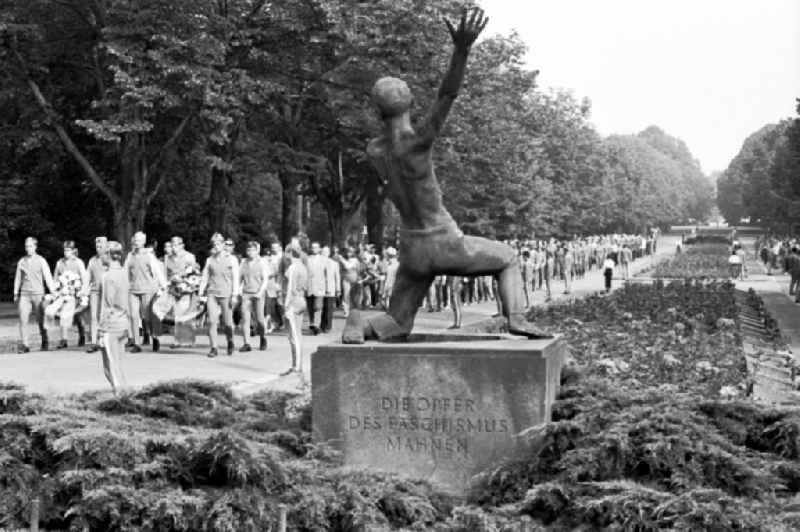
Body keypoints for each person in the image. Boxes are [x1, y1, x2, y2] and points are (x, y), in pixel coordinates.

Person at [124, 231, 167, 353]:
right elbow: (125, 272)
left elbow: (157, 272)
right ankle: (137, 344)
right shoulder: (130, 256)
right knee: (133, 316)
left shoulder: (149, 256)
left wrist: (164, 286)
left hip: (148, 289)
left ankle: (155, 338)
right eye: (135, 240)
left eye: (139, 240)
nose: (136, 242)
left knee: (147, 317)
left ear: (143, 242)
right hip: (132, 290)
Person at [199, 233, 241, 357]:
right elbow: (205, 277)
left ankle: (230, 341)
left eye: (218, 244)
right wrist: (201, 292)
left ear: (223, 245)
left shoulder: (231, 259)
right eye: (214, 244)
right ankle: (214, 347)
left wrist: (235, 295)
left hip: (226, 294)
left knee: (227, 323)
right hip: (212, 293)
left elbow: (236, 278)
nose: (216, 246)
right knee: (212, 321)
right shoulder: (209, 260)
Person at [13, 237, 56, 353]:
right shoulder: (22, 261)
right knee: (23, 319)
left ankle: (45, 339)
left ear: (35, 247)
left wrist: (53, 291)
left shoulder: (41, 260)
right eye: (26, 246)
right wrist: (16, 292)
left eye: (30, 246)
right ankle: (25, 345)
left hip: (38, 294)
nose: (28, 249)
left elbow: (48, 276)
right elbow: (18, 278)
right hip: (25, 294)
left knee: (40, 320)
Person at [98, 241, 129, 395]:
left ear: (109, 255)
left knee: (110, 367)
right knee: (118, 364)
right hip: (123, 323)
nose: (100, 256)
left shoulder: (108, 276)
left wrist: (101, 329)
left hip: (111, 325)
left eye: (103, 253)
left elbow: (107, 305)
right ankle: (124, 393)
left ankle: (121, 397)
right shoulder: (124, 272)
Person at [52, 240, 89, 349]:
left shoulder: (78, 262)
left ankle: (82, 334)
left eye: (68, 250)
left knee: (77, 316)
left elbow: (84, 277)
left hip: (76, 292)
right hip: (64, 293)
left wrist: (81, 290)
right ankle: (63, 340)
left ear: (73, 251)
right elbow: (55, 278)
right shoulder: (60, 263)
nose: (66, 252)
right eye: (65, 250)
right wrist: (56, 289)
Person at [239, 241, 269, 351]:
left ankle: (263, 337)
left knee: (260, 319)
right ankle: (247, 343)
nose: (250, 252)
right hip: (246, 294)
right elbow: (239, 278)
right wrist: (238, 291)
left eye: (252, 250)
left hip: (258, 294)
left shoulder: (262, 262)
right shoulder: (243, 263)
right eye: (248, 250)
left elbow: (265, 280)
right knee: (245, 319)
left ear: (257, 251)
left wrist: (260, 292)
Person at [282, 245, 308, 375]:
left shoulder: (293, 267)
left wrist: (286, 305)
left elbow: (290, 288)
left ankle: (296, 367)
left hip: (294, 301)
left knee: (294, 336)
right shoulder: (303, 266)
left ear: (290, 253)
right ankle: (296, 365)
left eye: (286, 253)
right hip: (301, 300)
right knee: (297, 334)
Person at [85, 237, 109, 353]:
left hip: (107, 292)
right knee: (93, 317)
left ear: (106, 246)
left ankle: (104, 340)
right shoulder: (92, 260)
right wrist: (84, 290)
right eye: (97, 246)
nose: (98, 248)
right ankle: (94, 342)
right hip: (95, 291)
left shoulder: (110, 259)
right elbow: (87, 276)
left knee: (105, 317)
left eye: (100, 246)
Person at [305, 242, 326, 334]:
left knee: (318, 306)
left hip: (319, 286)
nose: (314, 249)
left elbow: (327, 274)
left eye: (316, 247)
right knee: (310, 307)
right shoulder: (307, 259)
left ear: (319, 249)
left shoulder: (324, 260)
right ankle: (312, 323)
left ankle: (317, 325)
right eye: (312, 247)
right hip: (309, 286)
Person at [265, 242, 284, 333]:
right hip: (271, 285)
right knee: (271, 305)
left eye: (275, 247)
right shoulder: (269, 258)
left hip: (281, 284)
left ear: (279, 248)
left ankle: (283, 322)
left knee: (281, 305)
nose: (273, 249)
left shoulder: (283, 258)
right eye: (272, 247)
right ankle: (274, 323)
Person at [320, 246, 340, 333]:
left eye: (326, 252)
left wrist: (338, 289)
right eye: (323, 252)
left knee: (329, 308)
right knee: (320, 308)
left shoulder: (334, 263)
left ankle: (328, 326)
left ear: (328, 253)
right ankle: (321, 325)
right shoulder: (318, 263)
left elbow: (337, 277)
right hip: (320, 289)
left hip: (330, 289)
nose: (324, 254)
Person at [341, 247, 360, 317]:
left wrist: (341, 259)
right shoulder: (346, 259)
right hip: (346, 279)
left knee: (353, 296)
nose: (349, 254)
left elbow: (348, 266)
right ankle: (346, 311)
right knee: (346, 295)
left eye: (351, 252)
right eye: (348, 252)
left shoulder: (355, 260)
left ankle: (353, 310)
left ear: (353, 253)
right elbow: (343, 269)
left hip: (354, 280)